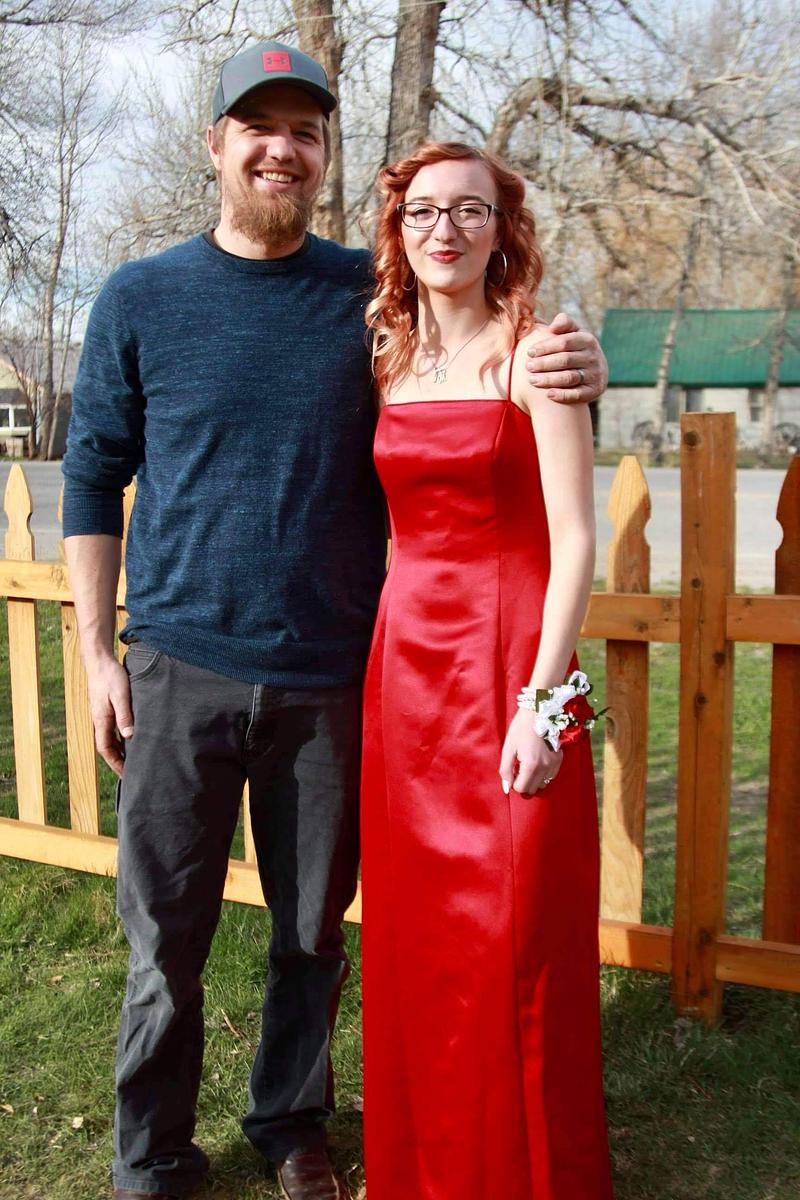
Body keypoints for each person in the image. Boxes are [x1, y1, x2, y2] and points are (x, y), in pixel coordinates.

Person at [61, 40, 608, 1200]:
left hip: (330, 674)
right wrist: (98, 652)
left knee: (311, 932)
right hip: (178, 665)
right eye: (256, 127)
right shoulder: (140, 297)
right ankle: (151, 1156)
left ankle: (290, 1124)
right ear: (216, 145)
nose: (281, 149)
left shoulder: (370, 301)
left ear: (322, 154)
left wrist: (575, 359)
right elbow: (92, 478)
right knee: (165, 939)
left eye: (303, 132)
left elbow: (482, 353)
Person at [360, 141, 614, 1200]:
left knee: (513, 941)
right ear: (399, 231)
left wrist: (543, 704)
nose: (445, 230)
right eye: (423, 211)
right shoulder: (389, 357)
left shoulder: (538, 356)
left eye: (470, 210)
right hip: (405, 678)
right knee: (423, 943)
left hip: (511, 666)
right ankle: (427, 1170)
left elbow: (577, 543)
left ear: (503, 229)